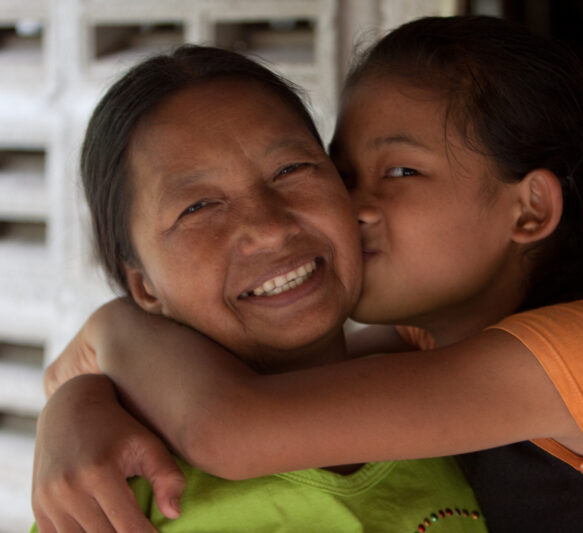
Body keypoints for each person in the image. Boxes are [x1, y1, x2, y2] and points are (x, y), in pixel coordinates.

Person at [34, 16, 583, 532]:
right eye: (342, 172)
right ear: (142, 275)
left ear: (529, 211)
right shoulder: (437, 343)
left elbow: (234, 426)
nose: (352, 207)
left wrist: (111, 328)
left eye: (400, 171)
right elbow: (277, 387)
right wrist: (80, 400)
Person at [30, 45, 487, 533]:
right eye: (199, 206)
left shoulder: (453, 375)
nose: (269, 228)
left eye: (291, 170)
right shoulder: (109, 490)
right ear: (143, 286)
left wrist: (101, 348)